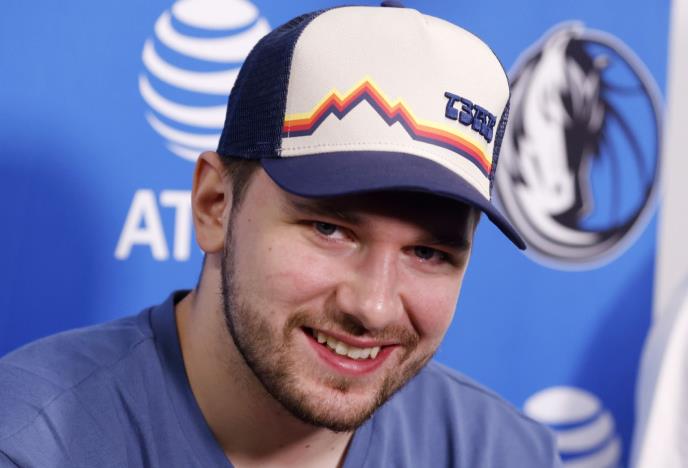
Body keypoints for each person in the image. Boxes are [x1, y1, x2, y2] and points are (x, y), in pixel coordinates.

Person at [0, 3, 562, 467]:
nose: (373, 306)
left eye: (428, 252)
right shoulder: (31, 442)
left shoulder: (501, 453)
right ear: (215, 205)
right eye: (330, 229)